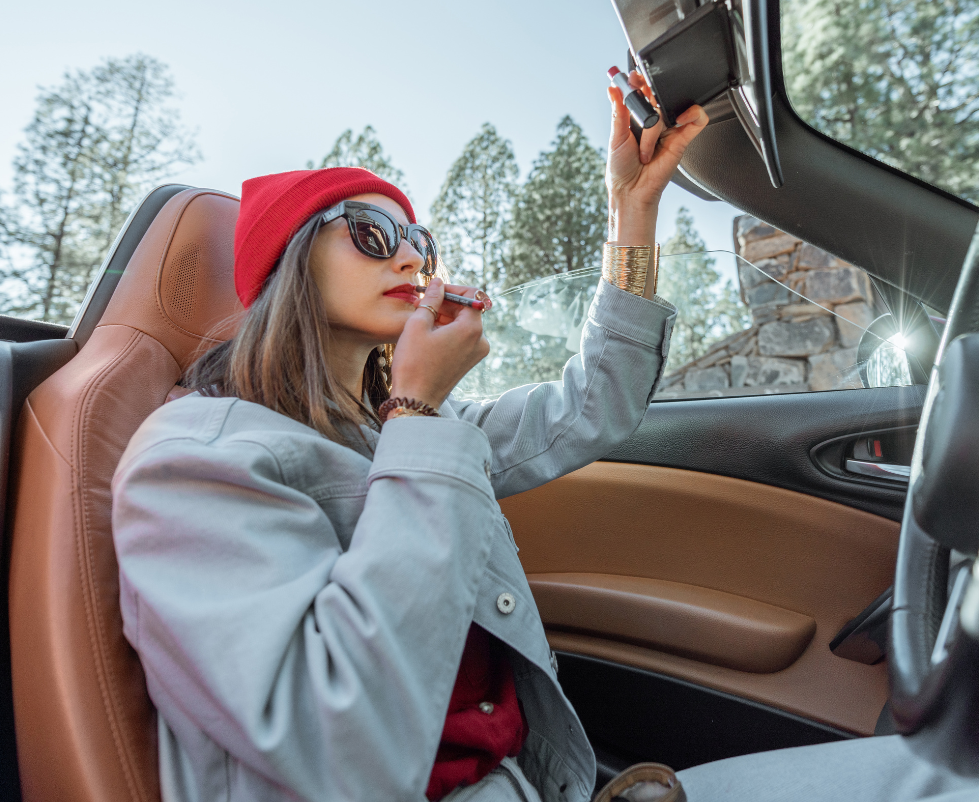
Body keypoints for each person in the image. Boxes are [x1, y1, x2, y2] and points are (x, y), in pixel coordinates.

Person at [111, 70, 705, 802]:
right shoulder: (194, 461)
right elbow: (341, 739)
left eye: (418, 240)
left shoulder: (409, 425)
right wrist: (418, 409)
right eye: (372, 234)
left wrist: (630, 212)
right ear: (288, 261)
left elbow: (590, 408)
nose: (411, 259)